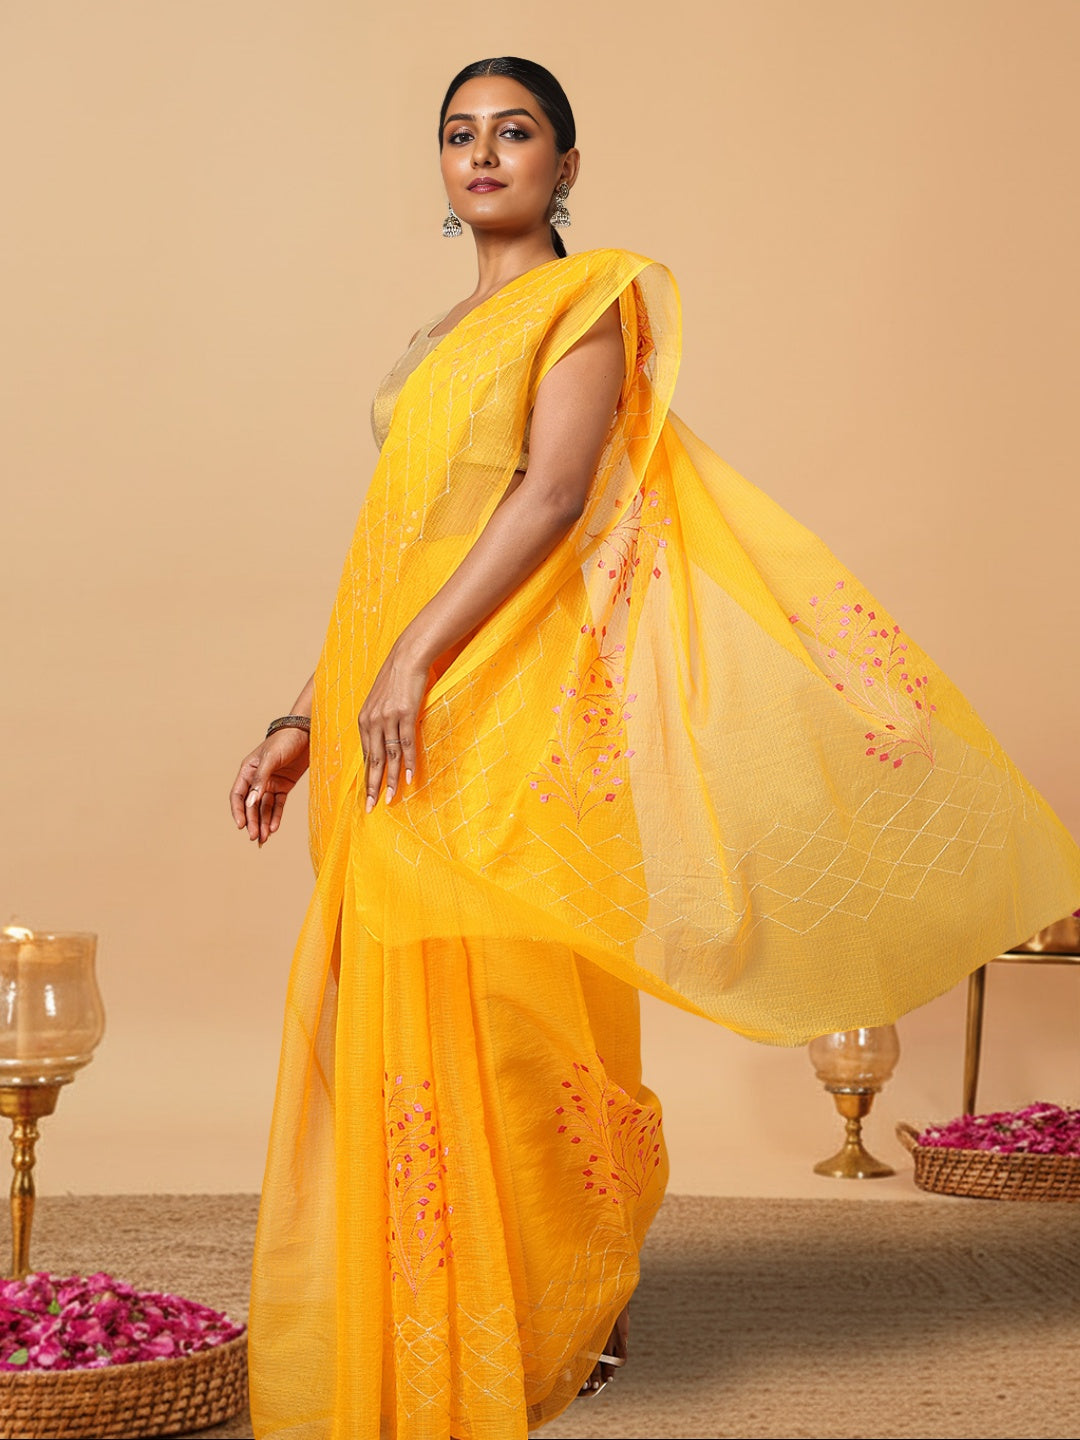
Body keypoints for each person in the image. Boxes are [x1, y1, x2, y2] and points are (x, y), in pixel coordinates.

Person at [232, 56, 1080, 1440]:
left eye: (515, 132)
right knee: (401, 983)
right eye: (459, 134)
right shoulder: (434, 334)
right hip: (398, 695)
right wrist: (305, 714)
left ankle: (568, 1294)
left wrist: (413, 663)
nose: (483, 153)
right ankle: (433, 1295)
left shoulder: (591, 299)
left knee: (517, 1001)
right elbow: (394, 550)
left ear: (567, 165)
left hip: (500, 697)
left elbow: (553, 496)